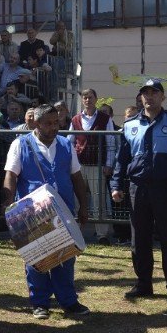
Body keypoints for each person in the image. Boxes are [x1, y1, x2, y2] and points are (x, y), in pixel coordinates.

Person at [3, 104, 91, 319]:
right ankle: (40, 302)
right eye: (48, 124)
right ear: (36, 123)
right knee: (36, 256)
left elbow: (76, 177)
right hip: (32, 212)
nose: (54, 127)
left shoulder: (64, 144)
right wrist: (9, 207)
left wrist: (84, 206)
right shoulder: (20, 144)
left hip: (63, 209)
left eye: (56, 123)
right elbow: (11, 176)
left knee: (66, 255)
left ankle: (68, 301)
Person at [111, 78, 167, 303]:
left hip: (165, 189)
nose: (149, 96)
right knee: (139, 238)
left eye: (154, 92)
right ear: (141, 97)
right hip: (138, 188)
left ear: (162, 97)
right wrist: (116, 185)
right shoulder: (130, 125)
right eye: (145, 93)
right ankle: (143, 283)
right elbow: (122, 160)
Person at [69, 88, 116, 245]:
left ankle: (102, 235)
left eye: (90, 97)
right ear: (82, 100)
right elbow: (70, 142)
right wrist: (71, 164)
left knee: (99, 201)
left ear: (96, 99)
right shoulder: (75, 119)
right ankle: (76, 233)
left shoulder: (105, 118)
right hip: (79, 166)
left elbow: (110, 142)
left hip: (98, 166)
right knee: (76, 201)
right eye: (85, 97)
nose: (87, 100)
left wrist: (109, 164)